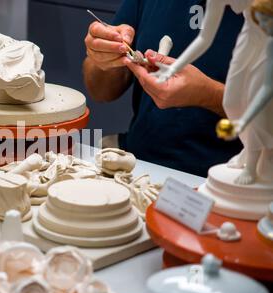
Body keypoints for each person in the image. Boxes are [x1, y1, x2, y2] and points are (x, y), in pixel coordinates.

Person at [83, 0, 245, 176]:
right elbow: (100, 91)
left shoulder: (259, 13)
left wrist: (209, 95)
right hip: (139, 159)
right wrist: (105, 56)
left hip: (232, 176)